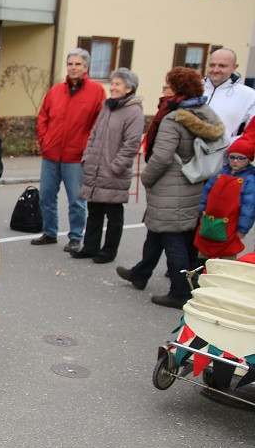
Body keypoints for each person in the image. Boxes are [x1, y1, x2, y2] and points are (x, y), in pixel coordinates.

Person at [117, 66, 224, 309]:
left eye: (166, 86)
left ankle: (179, 291)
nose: (163, 90)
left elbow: (162, 157)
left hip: (171, 183)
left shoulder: (174, 117)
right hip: (192, 181)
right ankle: (140, 273)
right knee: (159, 230)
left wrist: (146, 178)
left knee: (172, 238)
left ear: (177, 89)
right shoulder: (205, 112)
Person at [33, 48, 106, 252]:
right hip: (51, 154)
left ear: (86, 67)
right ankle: (49, 232)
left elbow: (98, 123)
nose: (73, 68)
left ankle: (75, 236)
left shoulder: (96, 91)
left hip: (75, 156)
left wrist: (86, 147)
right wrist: (45, 141)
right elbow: (42, 118)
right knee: (46, 196)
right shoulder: (55, 90)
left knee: (76, 199)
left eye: (78, 64)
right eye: (70, 64)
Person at [72, 68, 143, 263]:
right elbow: (94, 134)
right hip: (95, 167)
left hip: (113, 171)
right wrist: (87, 157)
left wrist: (115, 166)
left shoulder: (134, 111)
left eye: (117, 84)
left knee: (113, 214)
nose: (113, 87)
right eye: (112, 83)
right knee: (94, 211)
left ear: (129, 88)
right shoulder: (107, 107)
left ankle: (108, 251)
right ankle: (90, 247)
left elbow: (131, 143)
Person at [193, 135, 255, 260]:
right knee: (203, 252)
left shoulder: (249, 179)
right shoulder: (219, 173)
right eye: (232, 157)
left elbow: (249, 207)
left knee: (227, 256)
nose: (235, 161)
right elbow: (206, 194)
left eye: (241, 158)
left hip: (231, 225)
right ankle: (201, 275)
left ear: (249, 159)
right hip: (209, 221)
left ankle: (222, 276)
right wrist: (200, 214)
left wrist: (243, 228)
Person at [203, 48, 255, 142]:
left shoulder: (249, 95)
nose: (215, 69)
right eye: (212, 65)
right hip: (188, 154)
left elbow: (251, 133)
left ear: (234, 67)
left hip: (221, 154)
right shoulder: (194, 88)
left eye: (222, 66)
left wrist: (229, 145)